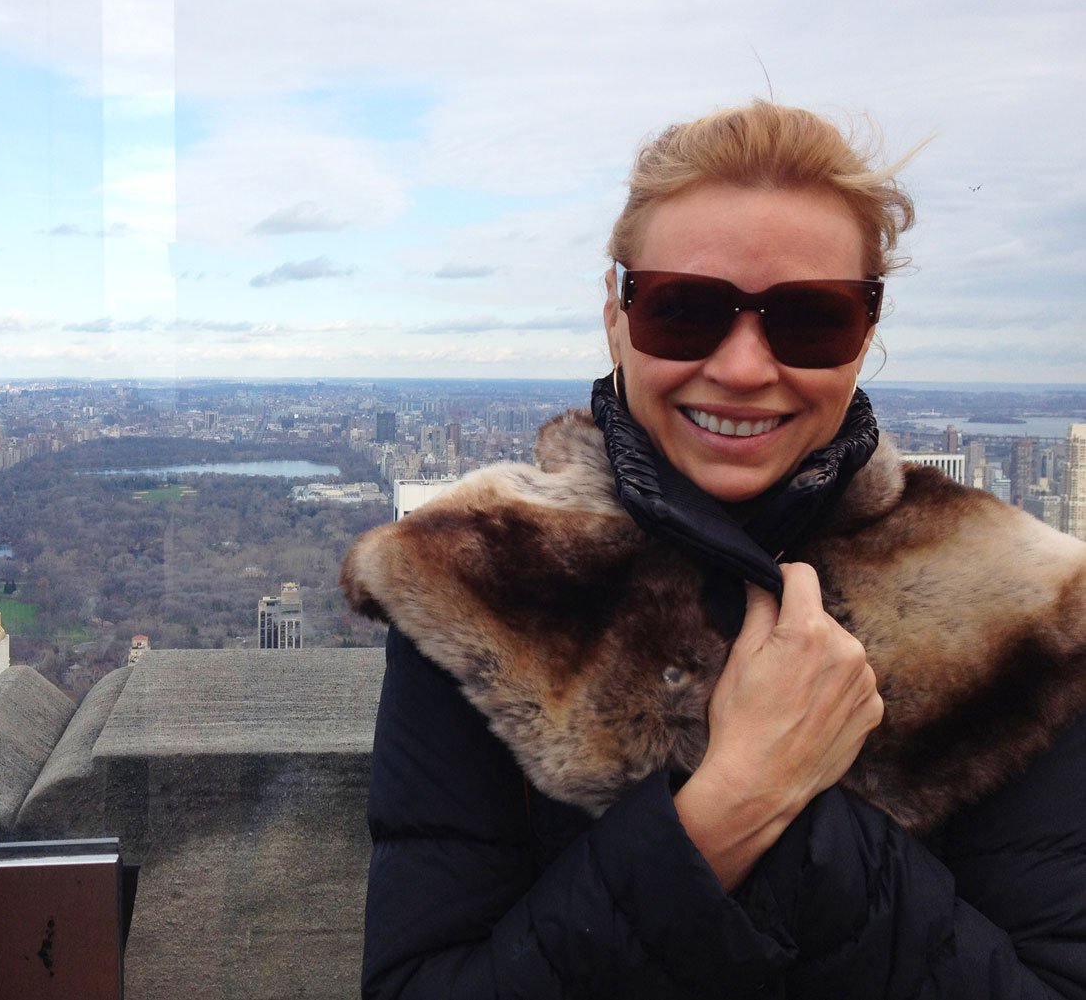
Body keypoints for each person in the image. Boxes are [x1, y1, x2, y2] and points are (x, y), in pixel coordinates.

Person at [341, 101, 1086, 999]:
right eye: (684, 310)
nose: (741, 366)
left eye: (809, 319)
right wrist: (741, 799)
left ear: (864, 338)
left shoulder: (1021, 606)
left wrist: (813, 834)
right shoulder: (485, 574)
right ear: (617, 319)